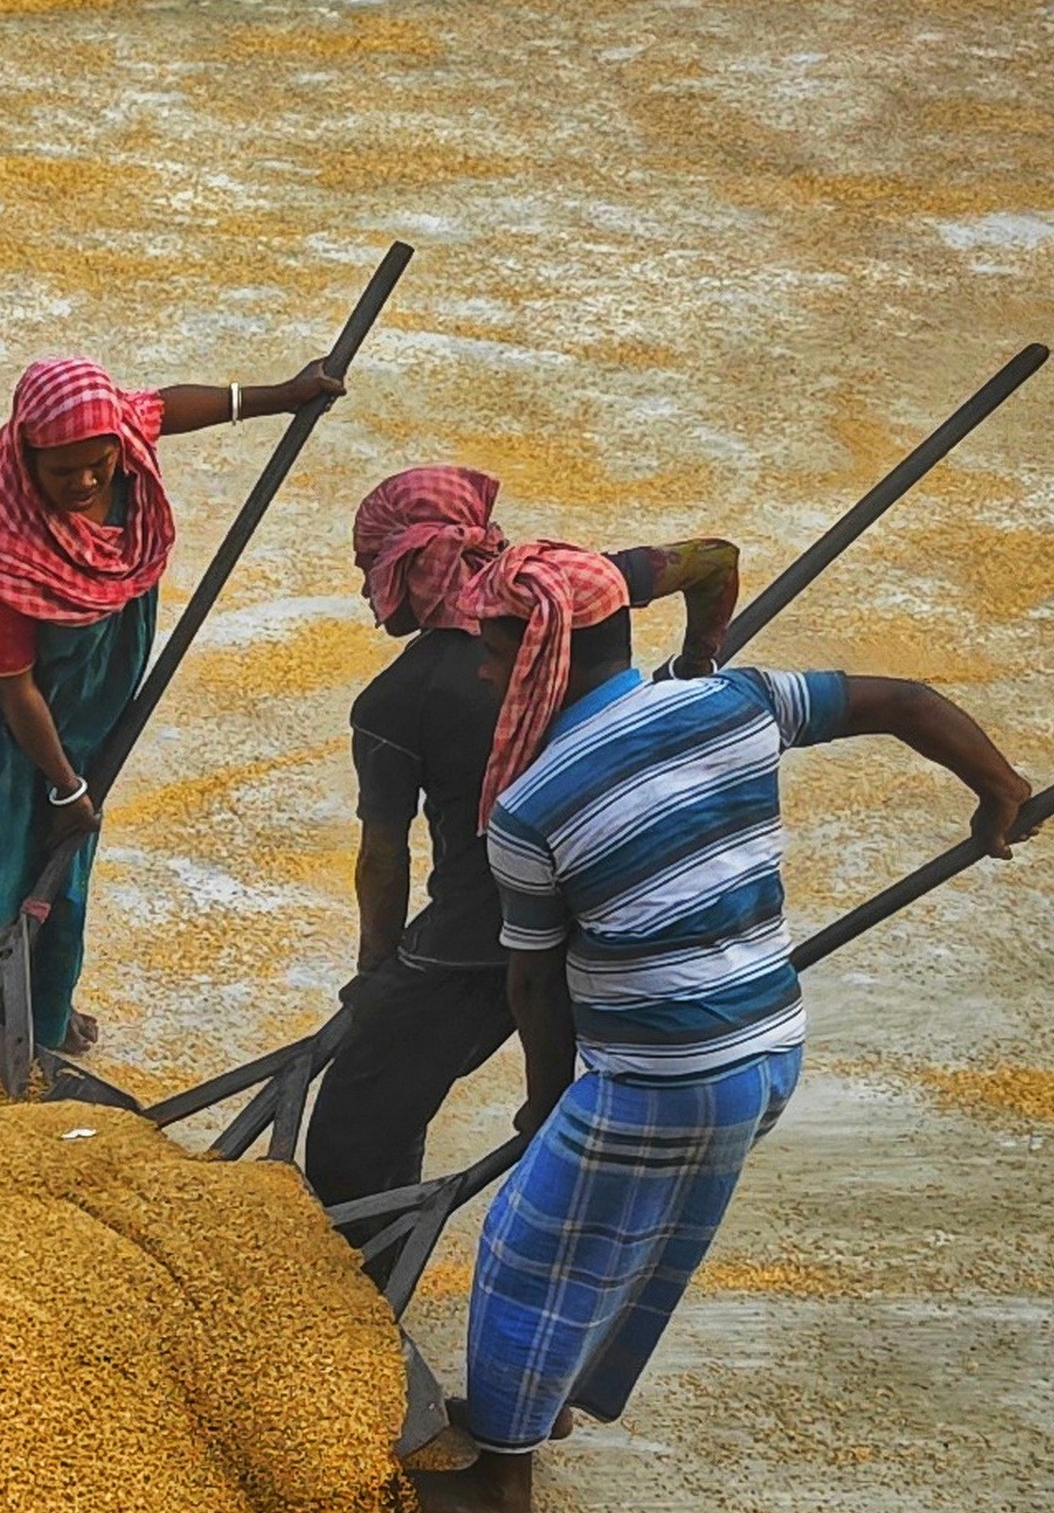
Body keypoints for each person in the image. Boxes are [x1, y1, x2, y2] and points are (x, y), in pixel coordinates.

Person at [399, 551, 1030, 1513]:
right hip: (769, 1045)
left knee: (528, 1249)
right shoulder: (738, 702)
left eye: (495, 653)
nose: (483, 672)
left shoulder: (531, 808)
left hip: (669, 1073)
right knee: (620, 1232)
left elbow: (534, 981)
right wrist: (999, 787)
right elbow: (905, 702)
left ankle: (500, 1484)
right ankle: (534, 1402)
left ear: (544, 660)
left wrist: (546, 1104)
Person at [0, 351, 343, 1057]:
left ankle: (40, 1012)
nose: (87, 482)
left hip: (69, 722)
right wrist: (65, 787)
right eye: (64, 471)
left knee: (59, 863)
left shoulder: (117, 441)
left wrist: (286, 395)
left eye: (100, 464)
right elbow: (14, 688)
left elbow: (166, 408)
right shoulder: (0, 558)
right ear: (27, 458)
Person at [311, 469, 737, 1212]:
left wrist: (376, 977)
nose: (366, 588)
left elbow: (384, 857)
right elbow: (715, 560)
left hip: (477, 941)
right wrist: (696, 665)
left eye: (372, 566)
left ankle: (356, 1254)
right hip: (606, 909)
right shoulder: (572, 592)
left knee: (356, 1121)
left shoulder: (394, 703)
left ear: (409, 566)